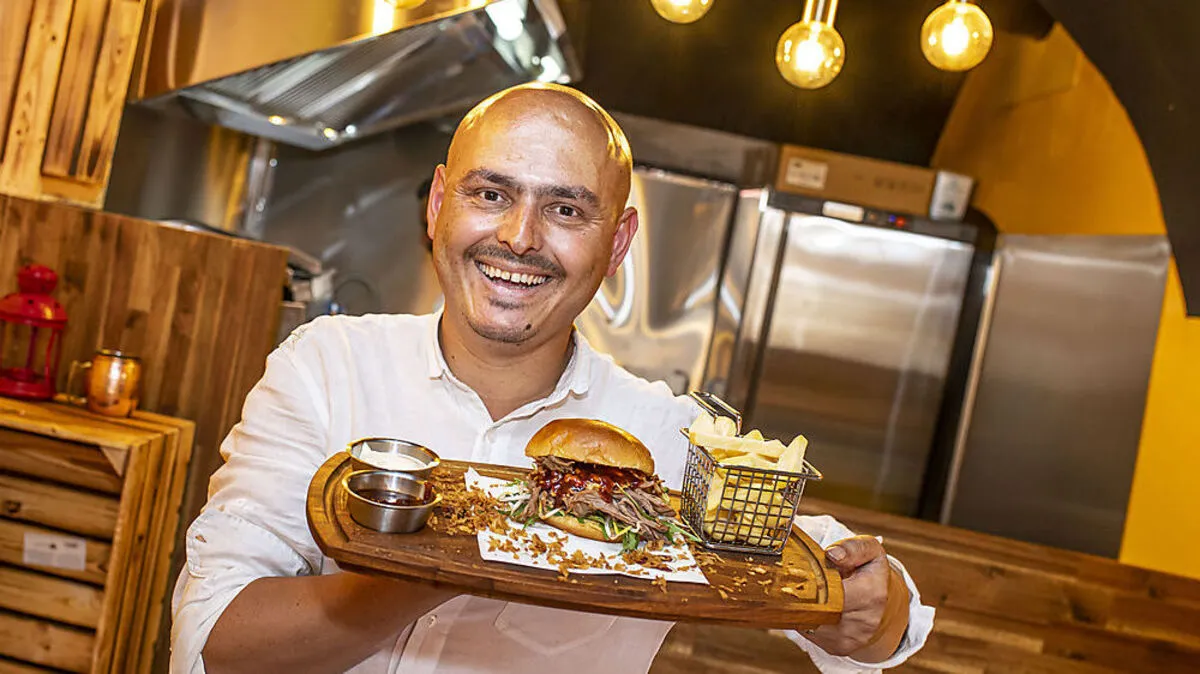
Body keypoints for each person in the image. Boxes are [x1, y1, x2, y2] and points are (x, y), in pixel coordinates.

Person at [171, 83, 934, 674]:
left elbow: (864, 606)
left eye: (566, 208)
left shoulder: (671, 442)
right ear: (440, 205)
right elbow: (215, 644)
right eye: (491, 193)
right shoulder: (326, 367)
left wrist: (874, 605)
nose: (519, 237)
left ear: (619, 239)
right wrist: (449, 559)